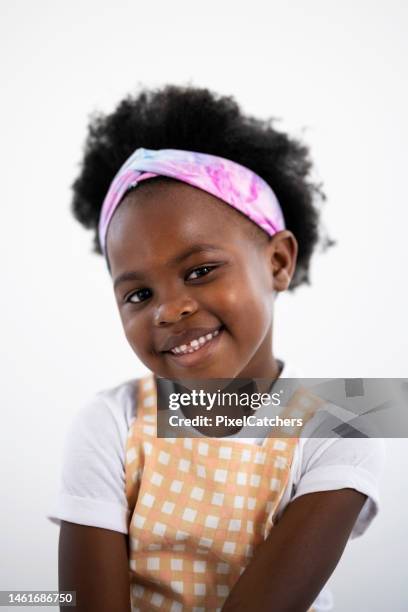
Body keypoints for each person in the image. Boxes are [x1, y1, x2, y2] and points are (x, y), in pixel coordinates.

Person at [49, 85, 385, 612]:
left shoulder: (346, 421)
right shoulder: (108, 422)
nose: (169, 309)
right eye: (139, 294)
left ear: (278, 261)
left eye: (200, 270)